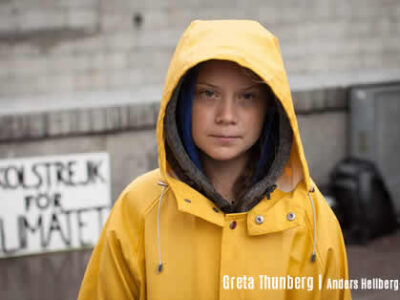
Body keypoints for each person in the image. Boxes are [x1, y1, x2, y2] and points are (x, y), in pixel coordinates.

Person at [78, 20, 351, 299]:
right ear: (183, 101)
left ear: (270, 107)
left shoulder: (310, 216)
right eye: (208, 94)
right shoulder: (139, 208)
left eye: (247, 96)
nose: (226, 116)